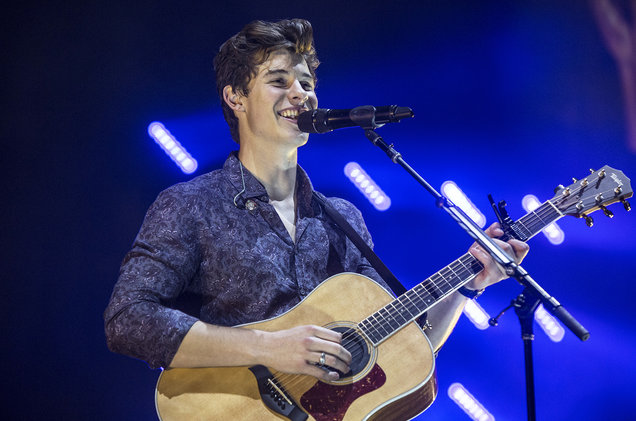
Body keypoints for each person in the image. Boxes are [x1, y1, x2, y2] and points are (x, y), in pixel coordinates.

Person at [104, 18, 528, 385]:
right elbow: (128, 320)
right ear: (236, 98)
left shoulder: (342, 218)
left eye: (306, 84)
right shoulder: (190, 204)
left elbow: (402, 345)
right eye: (279, 81)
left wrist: (469, 284)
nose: (300, 94)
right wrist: (269, 347)